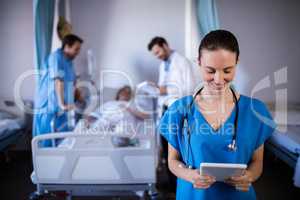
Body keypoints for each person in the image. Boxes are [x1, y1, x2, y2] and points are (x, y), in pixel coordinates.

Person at [159, 30, 276, 199]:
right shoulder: (179, 109)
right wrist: (189, 175)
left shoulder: (255, 111)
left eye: (227, 70)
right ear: (198, 63)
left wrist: (249, 176)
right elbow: (172, 161)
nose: (219, 79)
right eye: (210, 71)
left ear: (237, 63)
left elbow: (257, 163)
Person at [33, 34, 83, 146]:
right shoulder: (56, 58)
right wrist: (61, 104)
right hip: (48, 106)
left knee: (61, 141)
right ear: (67, 46)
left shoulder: (69, 61)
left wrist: (78, 95)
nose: (78, 52)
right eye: (76, 49)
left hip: (61, 107)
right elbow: (58, 80)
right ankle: (45, 163)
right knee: (47, 141)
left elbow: (73, 81)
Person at [148, 37, 197, 106]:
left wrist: (167, 90)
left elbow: (191, 88)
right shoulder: (162, 66)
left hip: (179, 106)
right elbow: (162, 86)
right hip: (164, 106)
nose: (157, 56)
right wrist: (157, 88)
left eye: (157, 52)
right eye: (155, 55)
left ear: (165, 46)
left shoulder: (183, 62)